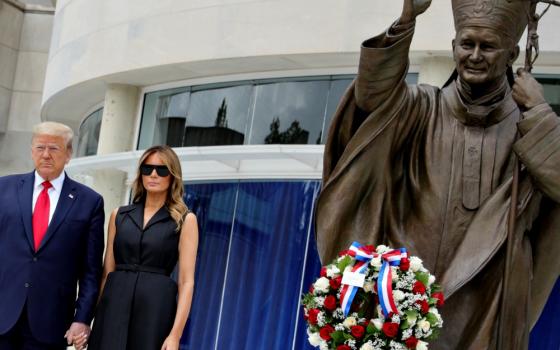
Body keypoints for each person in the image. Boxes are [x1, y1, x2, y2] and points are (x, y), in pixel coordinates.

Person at [315, 0, 560, 348]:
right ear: (453, 47)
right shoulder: (420, 108)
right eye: (467, 44)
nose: (474, 55)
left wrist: (538, 113)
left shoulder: (528, 127)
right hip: (407, 302)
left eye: (488, 46)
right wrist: (405, 21)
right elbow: (371, 99)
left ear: (512, 54)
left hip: (485, 307)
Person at [0, 122, 105, 349]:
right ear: (31, 151)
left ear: (68, 154)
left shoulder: (89, 202)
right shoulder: (3, 189)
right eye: (40, 148)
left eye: (54, 149)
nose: (46, 155)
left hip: (50, 322)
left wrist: (82, 318)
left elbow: (91, 271)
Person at [87, 145, 198, 350]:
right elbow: (106, 273)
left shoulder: (185, 220)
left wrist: (175, 335)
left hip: (155, 307)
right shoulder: (119, 215)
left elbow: (186, 282)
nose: (153, 174)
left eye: (162, 169)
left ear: (172, 175)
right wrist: (90, 319)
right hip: (114, 305)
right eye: (147, 169)